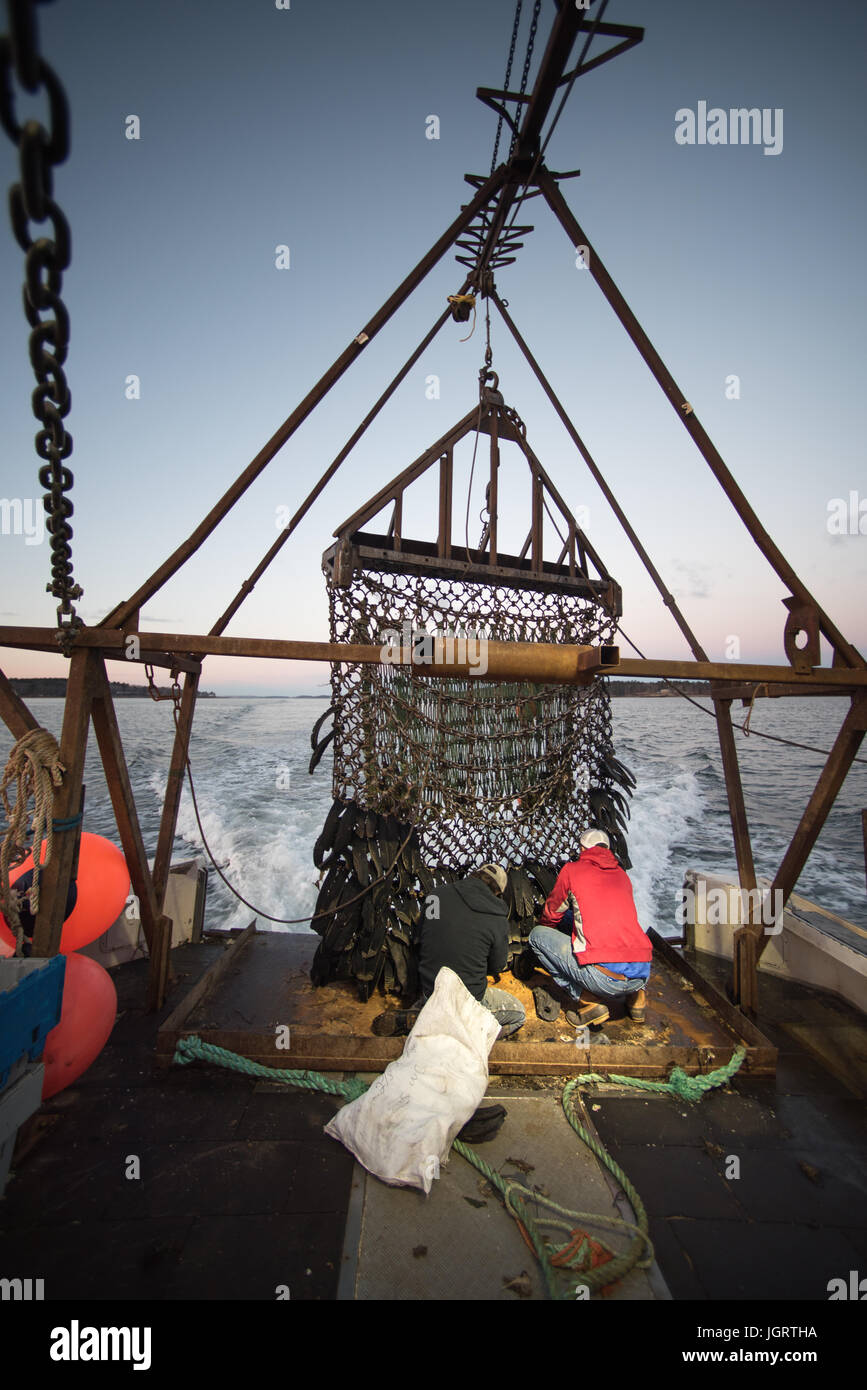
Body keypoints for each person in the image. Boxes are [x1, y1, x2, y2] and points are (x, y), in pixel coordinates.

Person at [373, 863, 525, 1037]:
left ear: (474, 876)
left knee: (433, 1000)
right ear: (497, 892)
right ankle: (466, 1034)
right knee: (518, 1014)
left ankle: (426, 1018)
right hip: (468, 999)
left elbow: (421, 937)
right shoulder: (497, 918)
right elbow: (497, 966)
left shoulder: (436, 896)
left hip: (431, 990)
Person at [529, 829, 651, 1027]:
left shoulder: (571, 870)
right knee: (614, 932)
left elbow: (553, 912)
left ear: (582, 849)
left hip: (605, 981)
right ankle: (638, 1000)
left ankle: (589, 1000)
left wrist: (547, 931)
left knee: (537, 937)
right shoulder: (622, 875)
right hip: (642, 973)